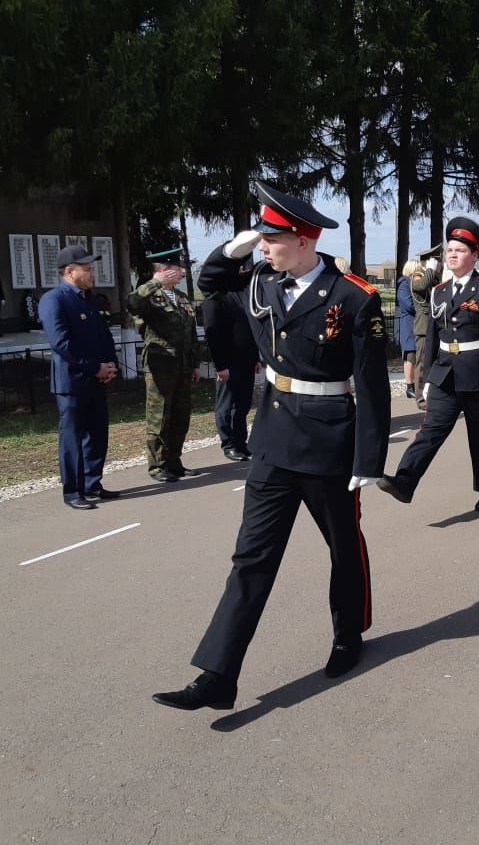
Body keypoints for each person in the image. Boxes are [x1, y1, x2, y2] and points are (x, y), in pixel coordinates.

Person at [153, 184, 390, 711]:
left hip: (330, 442)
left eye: (271, 238)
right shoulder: (260, 280)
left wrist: (369, 461)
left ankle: (348, 635)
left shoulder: (353, 296)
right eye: (260, 239)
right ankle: (217, 676)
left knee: (343, 548)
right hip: (275, 437)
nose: (263, 247)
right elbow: (211, 282)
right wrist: (236, 247)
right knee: (251, 558)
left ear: (304, 240)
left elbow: (372, 385)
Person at [377, 217, 479, 512]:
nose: (451, 254)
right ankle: (405, 480)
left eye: (460, 250)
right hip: (445, 374)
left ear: (475, 255)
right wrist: (425, 379)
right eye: (449, 250)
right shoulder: (439, 291)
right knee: (431, 428)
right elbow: (432, 339)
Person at [38, 245, 120, 510]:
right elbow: (61, 343)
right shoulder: (55, 299)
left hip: (97, 379)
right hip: (72, 383)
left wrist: (110, 365)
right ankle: (73, 491)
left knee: (97, 435)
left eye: (91, 268)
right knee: (72, 438)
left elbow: (103, 336)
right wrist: (94, 367)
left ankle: (92, 484)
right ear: (70, 271)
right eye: (87, 269)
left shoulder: (88, 300)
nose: (91, 273)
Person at [126, 248, 203, 483]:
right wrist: (154, 282)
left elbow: (191, 333)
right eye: (177, 268)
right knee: (159, 416)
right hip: (160, 365)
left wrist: (195, 364)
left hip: (182, 365)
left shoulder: (180, 297)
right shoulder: (149, 294)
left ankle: (174, 461)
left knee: (181, 415)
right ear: (163, 270)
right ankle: (157, 466)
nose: (181, 271)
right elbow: (132, 303)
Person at [199, 252, 260, 461]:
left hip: (246, 359)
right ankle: (229, 443)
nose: (243, 272)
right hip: (228, 361)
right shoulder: (214, 299)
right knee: (227, 404)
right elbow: (213, 335)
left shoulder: (243, 295)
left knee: (242, 404)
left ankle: (241, 442)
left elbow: (250, 329)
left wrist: (255, 358)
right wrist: (220, 365)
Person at [410, 244, 442, 410]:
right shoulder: (418, 275)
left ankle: (432, 395)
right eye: (436, 260)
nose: (439, 263)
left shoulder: (432, 277)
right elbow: (420, 287)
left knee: (434, 361)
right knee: (422, 364)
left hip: (433, 325)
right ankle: (421, 399)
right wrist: (430, 270)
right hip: (423, 327)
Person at [396, 260, 418, 396]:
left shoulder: (410, 283)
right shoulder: (405, 284)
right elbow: (408, 304)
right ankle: (410, 387)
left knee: (414, 356)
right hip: (409, 325)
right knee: (410, 356)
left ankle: (415, 384)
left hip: (414, 324)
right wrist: (422, 309)